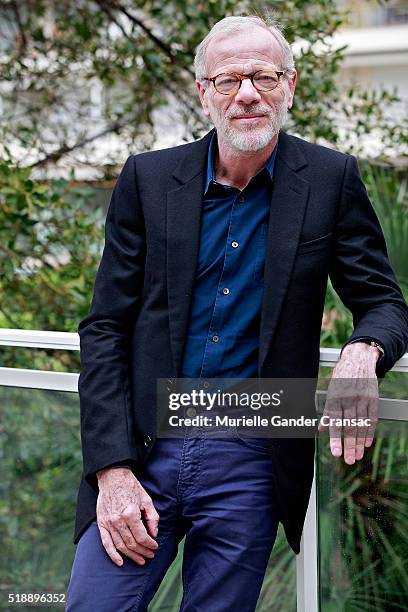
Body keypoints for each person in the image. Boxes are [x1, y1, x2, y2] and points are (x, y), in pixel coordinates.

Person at [66, 14, 408, 612]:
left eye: (264, 77)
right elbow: (104, 327)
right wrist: (111, 471)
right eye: (228, 80)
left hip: (253, 452)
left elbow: (382, 300)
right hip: (143, 449)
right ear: (205, 95)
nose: (247, 93)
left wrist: (364, 351)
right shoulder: (147, 180)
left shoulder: (330, 180)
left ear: (290, 86)